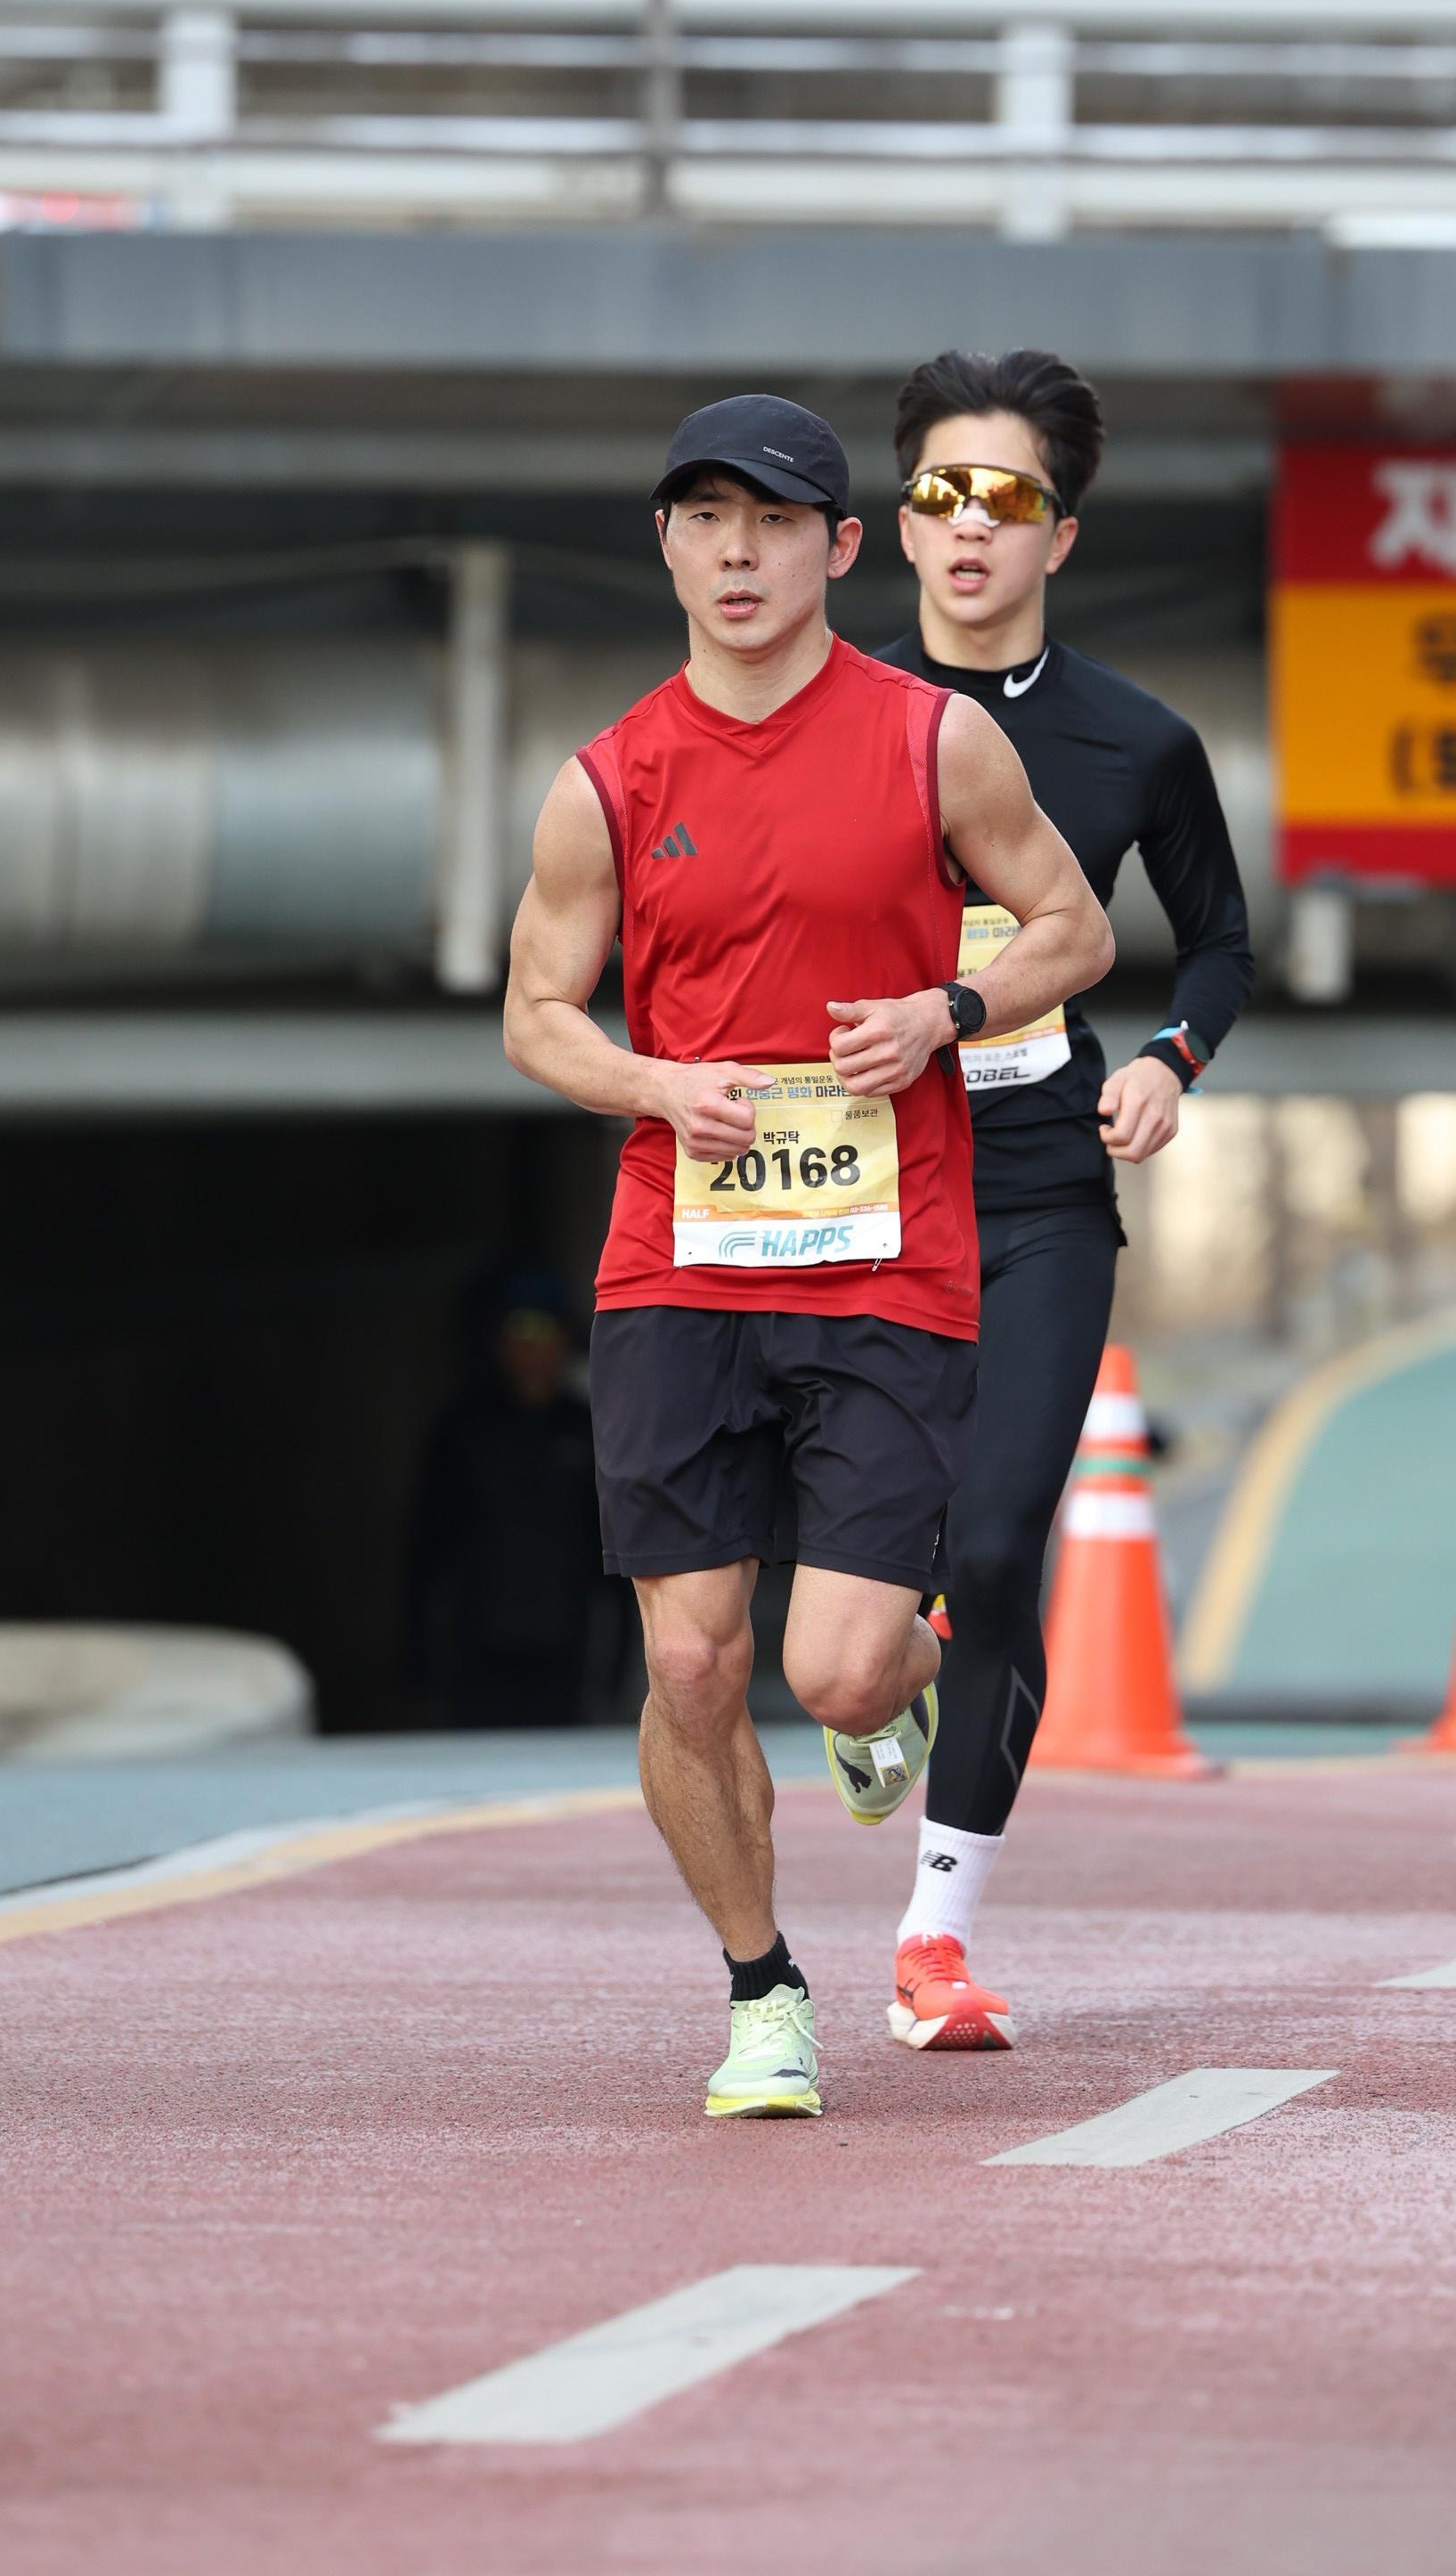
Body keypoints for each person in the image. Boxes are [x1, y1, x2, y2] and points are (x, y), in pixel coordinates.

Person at [502, 392, 1113, 2120]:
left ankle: (885, 1696)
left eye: (774, 522)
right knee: (691, 1662)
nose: (737, 554)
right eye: (704, 519)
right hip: (678, 1256)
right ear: (666, 544)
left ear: (841, 548)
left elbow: (1072, 924)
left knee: (831, 1662)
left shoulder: (936, 743)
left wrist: (944, 1010)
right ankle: (762, 1989)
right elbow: (535, 1013)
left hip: (883, 1261)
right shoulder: (607, 779)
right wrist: (650, 1082)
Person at [875, 346, 1253, 2054]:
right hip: (858, 1185)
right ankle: (873, 1680)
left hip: (1035, 1180)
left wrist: (1172, 1054)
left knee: (997, 1540)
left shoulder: (1137, 739)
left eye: (1006, 497)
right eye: (940, 493)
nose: (970, 524)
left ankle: (936, 1932)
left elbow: (1219, 938)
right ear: (900, 525)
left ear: (1060, 534)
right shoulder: (831, 713)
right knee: (863, 1585)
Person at [405, 1268, 614, 1728]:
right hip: (477, 1645)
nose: (530, 1347)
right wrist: (416, 1655)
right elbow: (426, 1542)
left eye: (543, 1330)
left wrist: (617, 1667)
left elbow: (613, 1546)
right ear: (497, 1341)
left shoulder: (588, 1429)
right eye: (517, 1330)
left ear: (565, 1338)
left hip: (566, 1645)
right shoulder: (464, 1429)